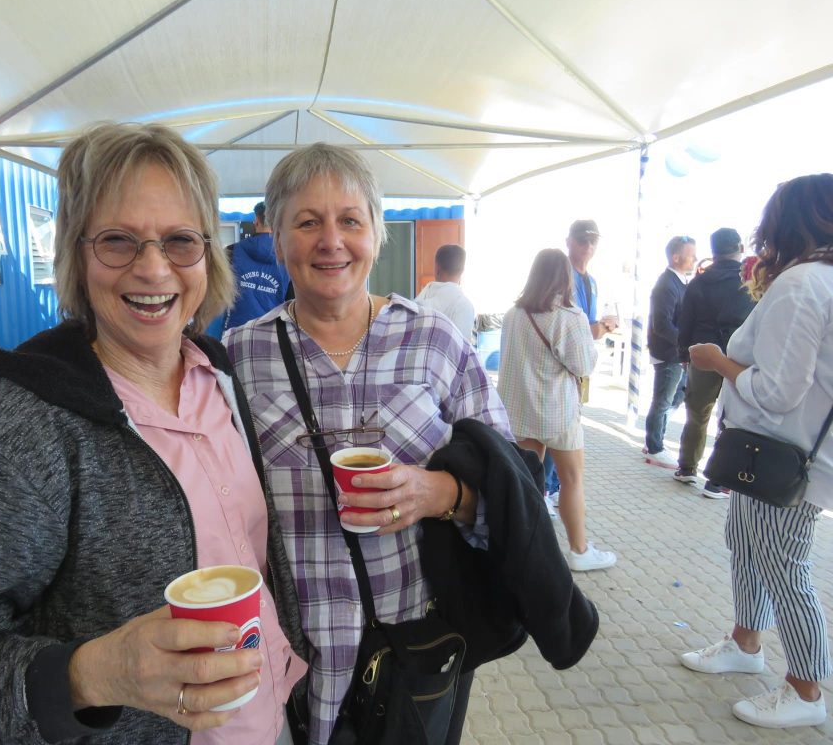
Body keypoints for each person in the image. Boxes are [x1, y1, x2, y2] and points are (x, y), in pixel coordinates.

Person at [0, 123, 308, 745]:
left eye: (178, 241)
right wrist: (95, 674)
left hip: (268, 718)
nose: (152, 268)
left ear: (207, 255)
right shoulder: (23, 426)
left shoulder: (217, 375)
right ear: (77, 254)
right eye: (118, 241)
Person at [226, 144, 516, 745]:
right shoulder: (239, 357)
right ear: (277, 240)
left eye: (350, 220)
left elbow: (516, 486)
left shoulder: (436, 341)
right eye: (307, 222)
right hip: (285, 658)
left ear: (377, 234)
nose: (330, 240)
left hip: (410, 647)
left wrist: (441, 494)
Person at [678, 174, 833, 729]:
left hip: (786, 457)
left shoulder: (802, 284)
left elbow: (775, 391)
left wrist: (717, 360)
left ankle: (807, 690)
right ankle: (746, 642)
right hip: (775, 454)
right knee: (746, 542)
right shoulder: (816, 280)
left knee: (784, 567)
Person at [498, 249, 616, 572]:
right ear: (565, 278)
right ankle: (579, 551)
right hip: (557, 411)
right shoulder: (568, 316)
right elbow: (584, 364)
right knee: (571, 479)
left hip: (518, 410)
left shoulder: (513, 315)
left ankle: (528, 550)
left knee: (527, 483)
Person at [543, 221, 619, 514]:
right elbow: (571, 326)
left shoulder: (592, 281)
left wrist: (601, 326)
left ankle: (556, 487)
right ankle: (547, 488)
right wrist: (598, 329)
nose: (588, 247)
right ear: (569, 242)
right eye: (582, 240)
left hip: (579, 367)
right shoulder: (563, 279)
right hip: (561, 366)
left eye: (592, 242)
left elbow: (586, 325)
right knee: (558, 430)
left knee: (569, 426)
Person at [673, 228, 754, 496]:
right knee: (729, 419)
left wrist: (684, 355)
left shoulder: (699, 282)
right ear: (739, 247)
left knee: (697, 414)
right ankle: (717, 481)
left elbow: (685, 322)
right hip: (737, 357)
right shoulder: (749, 281)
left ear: (713, 251)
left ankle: (686, 468)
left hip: (703, 355)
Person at [642, 235, 697, 469]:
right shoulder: (666, 284)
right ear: (676, 257)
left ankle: (655, 440)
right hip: (668, 352)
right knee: (663, 400)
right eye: (691, 254)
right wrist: (684, 345)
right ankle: (654, 447)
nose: (695, 258)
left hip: (676, 353)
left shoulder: (680, 282)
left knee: (677, 395)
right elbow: (662, 324)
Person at [222, 201, 293, 332]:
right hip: (274, 333)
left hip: (235, 332)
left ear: (256, 220)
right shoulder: (291, 257)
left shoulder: (232, 251)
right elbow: (292, 304)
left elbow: (218, 293)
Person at [414, 243, 477, 342]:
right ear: (462, 271)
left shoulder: (417, 302)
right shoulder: (466, 306)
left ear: (437, 269)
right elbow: (462, 351)